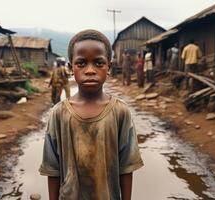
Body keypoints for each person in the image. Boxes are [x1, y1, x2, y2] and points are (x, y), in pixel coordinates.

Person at [39, 29, 143, 200]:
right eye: (81, 63)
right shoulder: (59, 113)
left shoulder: (120, 112)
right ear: (71, 67)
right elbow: (53, 169)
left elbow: (126, 166)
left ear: (108, 67)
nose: (89, 70)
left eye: (98, 63)